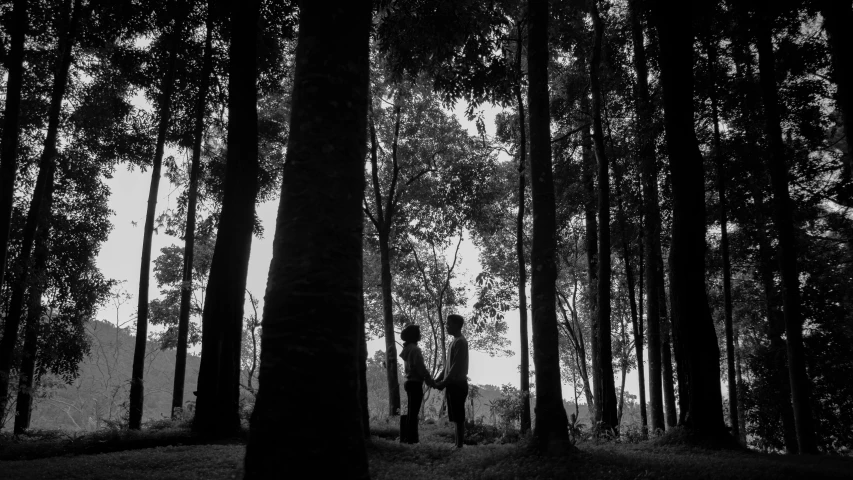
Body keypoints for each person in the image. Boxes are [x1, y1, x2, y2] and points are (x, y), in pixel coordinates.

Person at [435, 314, 469, 449]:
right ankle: (457, 444)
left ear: (456, 325)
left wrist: (444, 383)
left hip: (458, 384)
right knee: (455, 416)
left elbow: (456, 367)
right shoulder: (453, 342)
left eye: (448, 324)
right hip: (452, 384)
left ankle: (459, 445)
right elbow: (447, 367)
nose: (446, 326)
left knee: (459, 416)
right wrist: (438, 379)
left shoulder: (461, 342)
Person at [399, 324, 435, 444]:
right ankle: (411, 440)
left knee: (411, 411)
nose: (421, 335)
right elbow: (420, 367)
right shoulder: (415, 350)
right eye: (419, 333)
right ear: (415, 336)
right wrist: (429, 379)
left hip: (409, 382)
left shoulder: (407, 349)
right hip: (415, 383)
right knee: (413, 413)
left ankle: (407, 438)